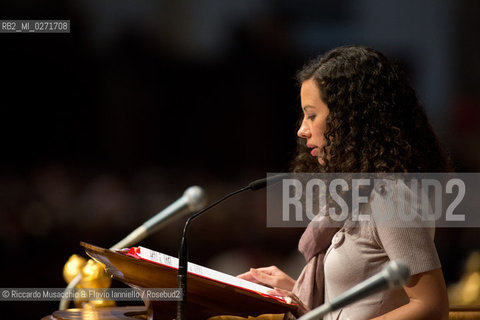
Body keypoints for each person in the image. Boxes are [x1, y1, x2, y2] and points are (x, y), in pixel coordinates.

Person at [238, 45, 450, 319]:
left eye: (312, 115)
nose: (302, 130)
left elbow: (431, 306)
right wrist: (292, 291)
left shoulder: (392, 197)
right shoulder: (356, 196)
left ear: (352, 118)